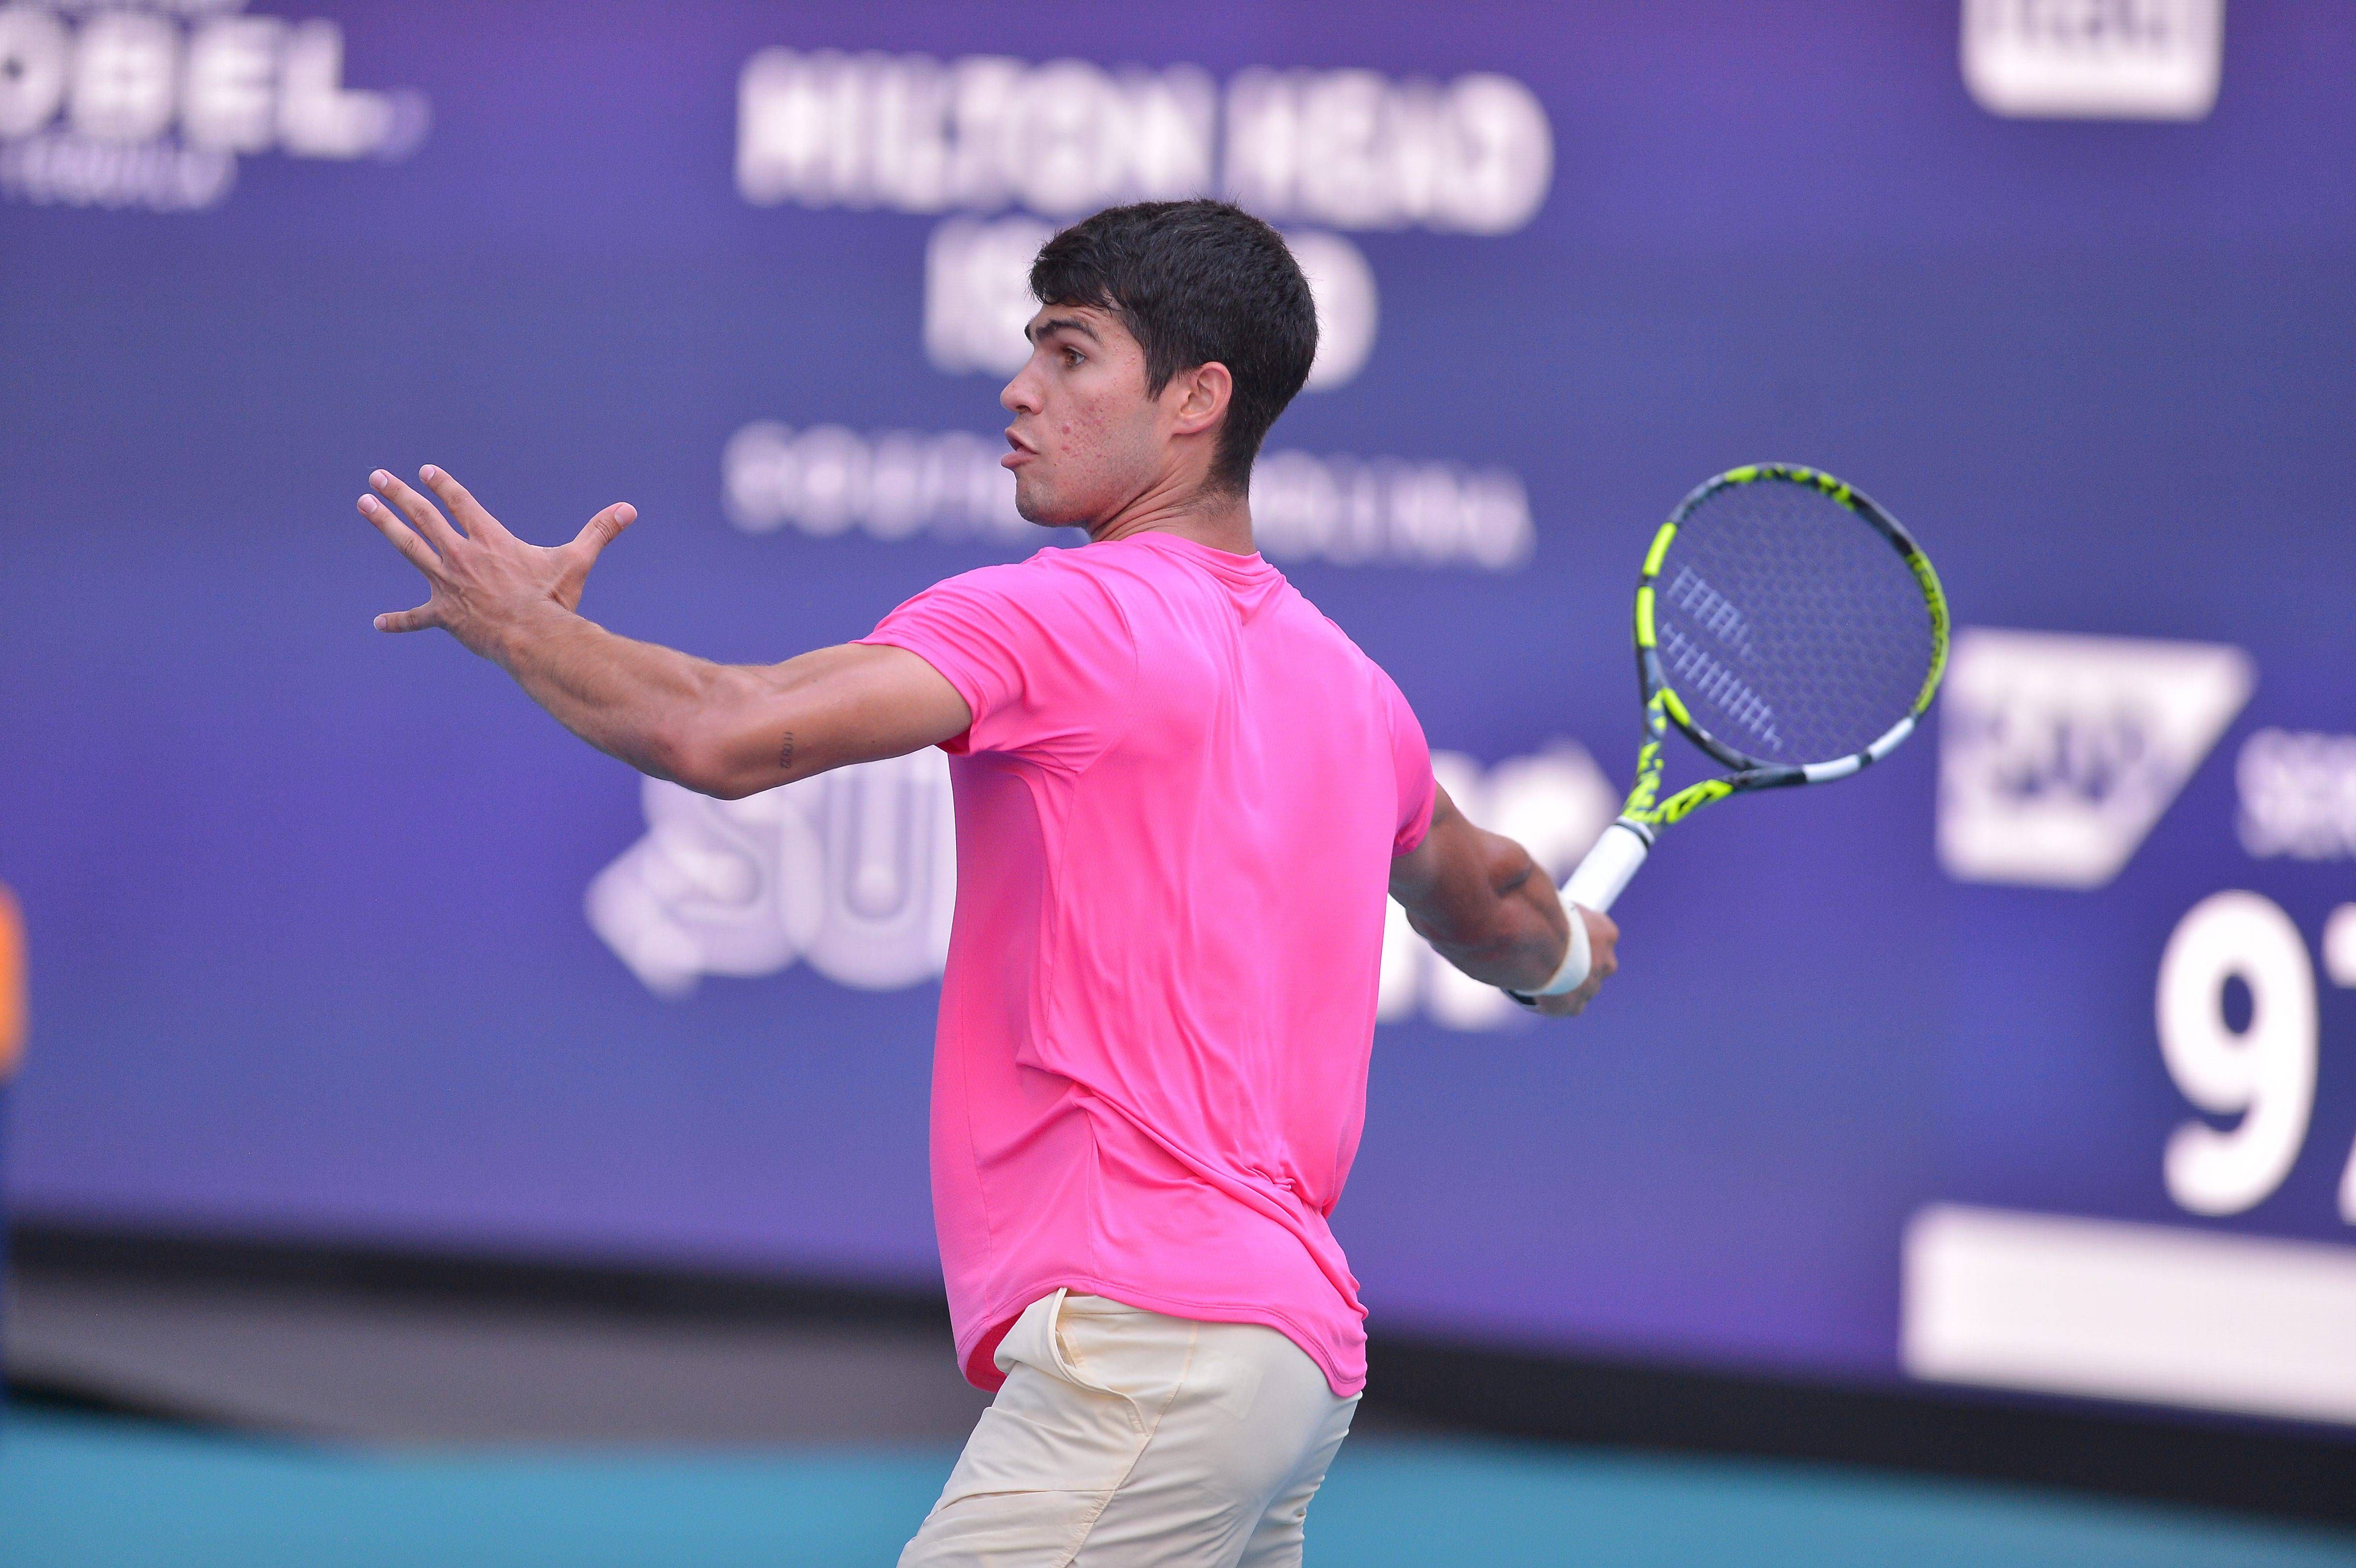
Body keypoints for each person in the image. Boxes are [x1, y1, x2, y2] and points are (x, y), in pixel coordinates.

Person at [356, 198, 1617, 1566]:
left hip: (1158, 1355)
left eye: (1072, 354)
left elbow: (720, 730)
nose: (1020, 386)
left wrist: (522, 629)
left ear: (1198, 399)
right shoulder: (1359, 695)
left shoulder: (1059, 616)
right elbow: (1489, 903)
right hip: (1287, 1369)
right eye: (1032, 347)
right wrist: (1568, 960)